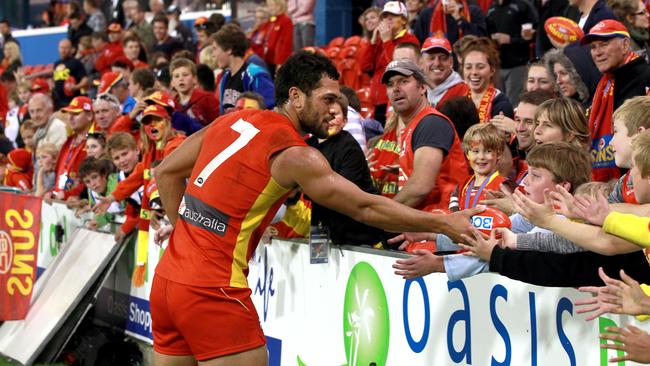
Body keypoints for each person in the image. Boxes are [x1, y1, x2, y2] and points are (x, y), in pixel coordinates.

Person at [149, 51, 481, 366]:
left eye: (339, 99)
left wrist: (189, 236)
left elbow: (165, 172)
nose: (337, 109)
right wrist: (445, 224)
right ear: (295, 97)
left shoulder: (233, 120)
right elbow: (365, 207)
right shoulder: (295, 154)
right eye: (327, 99)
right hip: (213, 289)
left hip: (167, 282)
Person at [379, 59, 468, 210]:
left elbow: (420, 187)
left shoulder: (431, 123)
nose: (395, 89)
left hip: (440, 224)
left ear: (422, 87)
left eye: (403, 81)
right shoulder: (416, 124)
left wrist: (382, 215)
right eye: (390, 84)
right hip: (427, 223)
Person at [305, 95, 388, 246]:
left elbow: (342, 195)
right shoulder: (306, 146)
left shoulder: (349, 147)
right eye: (324, 113)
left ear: (344, 121)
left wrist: (304, 186)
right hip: (324, 227)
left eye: (334, 115)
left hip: (360, 233)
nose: (328, 119)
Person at [583, 19, 650, 182]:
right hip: (614, 180)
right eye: (593, 47)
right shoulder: (604, 83)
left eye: (603, 44)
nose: (597, 52)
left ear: (626, 45)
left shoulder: (645, 76)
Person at [362, 1, 420, 125]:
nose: (388, 20)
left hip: (395, 98)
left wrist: (387, 41)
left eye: (392, 16)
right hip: (377, 101)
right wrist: (373, 42)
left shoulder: (409, 39)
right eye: (385, 17)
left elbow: (396, 67)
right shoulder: (381, 39)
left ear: (403, 20)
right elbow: (365, 66)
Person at [211, 25, 275, 114]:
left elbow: (271, 111)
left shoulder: (256, 75)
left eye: (215, 49)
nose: (213, 54)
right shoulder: (224, 78)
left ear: (229, 49)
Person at [46, 96, 93, 200]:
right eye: (69, 113)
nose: (70, 118)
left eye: (76, 114)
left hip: (79, 203)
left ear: (89, 115)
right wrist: (54, 192)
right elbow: (61, 173)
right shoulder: (69, 141)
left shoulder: (94, 143)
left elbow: (92, 178)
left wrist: (69, 194)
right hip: (61, 202)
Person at [461, 37, 513, 122]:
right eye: (468, 67)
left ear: (492, 70)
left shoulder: (502, 105)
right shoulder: (459, 102)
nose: (474, 72)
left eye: (480, 67)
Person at [106, 132, 142, 242]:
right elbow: (133, 206)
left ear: (137, 150)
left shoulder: (148, 170)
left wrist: (127, 225)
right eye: (116, 158)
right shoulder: (119, 178)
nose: (122, 160)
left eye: (125, 154)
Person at [419, 36, 469, 108]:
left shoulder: (464, 92)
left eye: (443, 58)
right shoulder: (417, 92)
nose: (437, 63)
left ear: (451, 62)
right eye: (431, 58)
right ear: (421, 63)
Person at [412, 0, 487, 46]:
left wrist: (458, 18)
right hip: (437, 64)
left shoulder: (473, 11)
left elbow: (481, 40)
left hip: (465, 64)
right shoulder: (427, 14)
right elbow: (417, 44)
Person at [170, 57, 220, 126]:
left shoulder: (207, 99)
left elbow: (219, 123)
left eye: (185, 75)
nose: (181, 79)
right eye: (176, 76)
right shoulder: (171, 106)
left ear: (195, 79)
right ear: (172, 82)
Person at [52, 39, 88, 110]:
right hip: (58, 101)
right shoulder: (56, 63)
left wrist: (76, 87)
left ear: (71, 49)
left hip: (72, 100)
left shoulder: (76, 63)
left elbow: (85, 79)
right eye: (61, 47)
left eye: (66, 48)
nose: (63, 50)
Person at [264, 0, 294, 75]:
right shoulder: (272, 21)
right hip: (268, 59)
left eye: (271, 5)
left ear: (279, 6)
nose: (269, 8)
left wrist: (280, 62)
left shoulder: (286, 20)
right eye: (269, 5)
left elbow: (286, 43)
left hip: (278, 62)